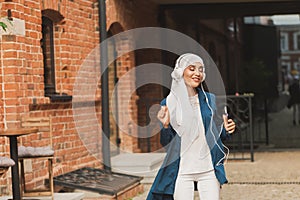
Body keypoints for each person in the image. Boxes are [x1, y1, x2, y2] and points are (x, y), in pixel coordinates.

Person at [147, 53, 236, 200]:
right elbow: (166, 144)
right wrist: (166, 126)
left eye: (201, 69)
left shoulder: (210, 100)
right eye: (192, 68)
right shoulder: (168, 103)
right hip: (182, 170)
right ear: (181, 71)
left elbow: (215, 134)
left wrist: (226, 130)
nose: (197, 73)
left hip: (208, 168)